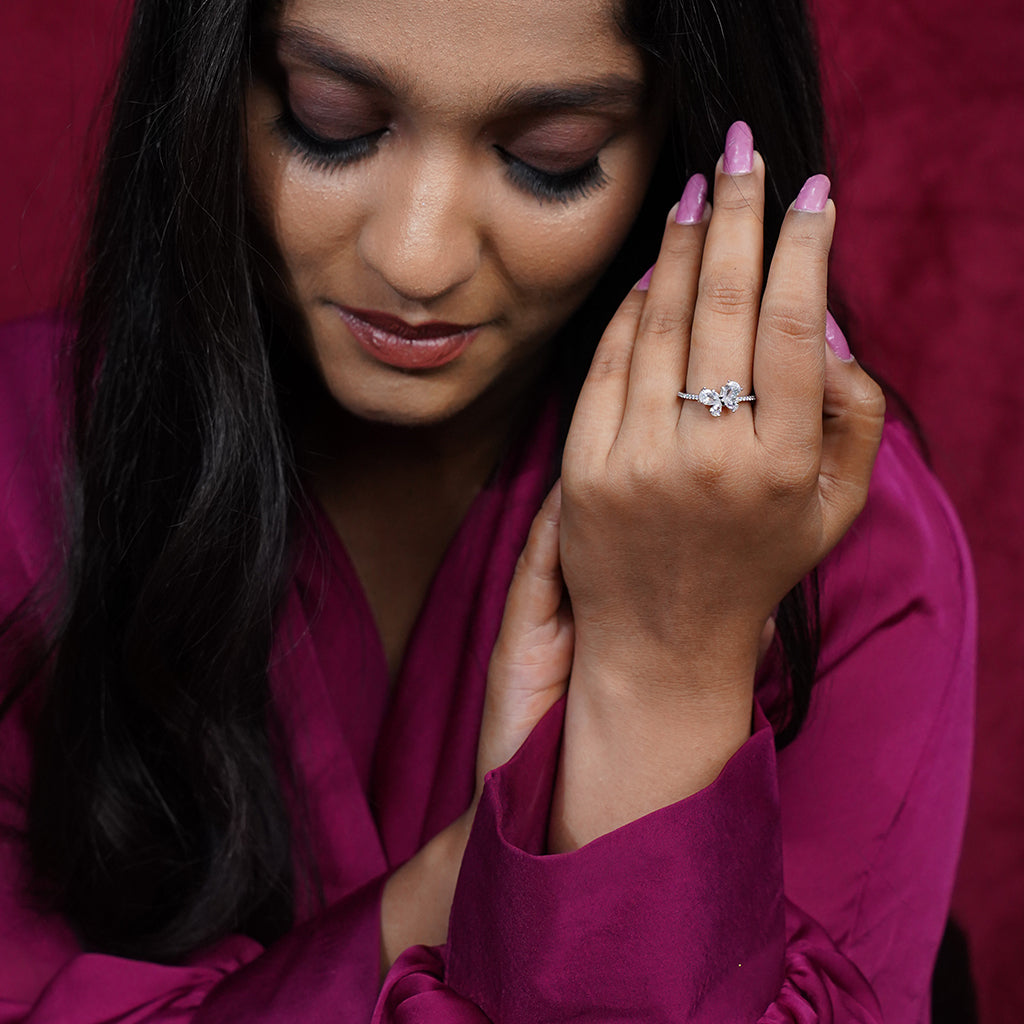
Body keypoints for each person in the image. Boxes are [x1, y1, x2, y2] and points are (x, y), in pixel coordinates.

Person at [0, 0, 975, 1020]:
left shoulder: (834, 535)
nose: (416, 259)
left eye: (550, 158)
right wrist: (489, 876)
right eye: (329, 123)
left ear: (674, 141)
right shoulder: (25, 453)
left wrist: (662, 674)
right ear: (213, 86)